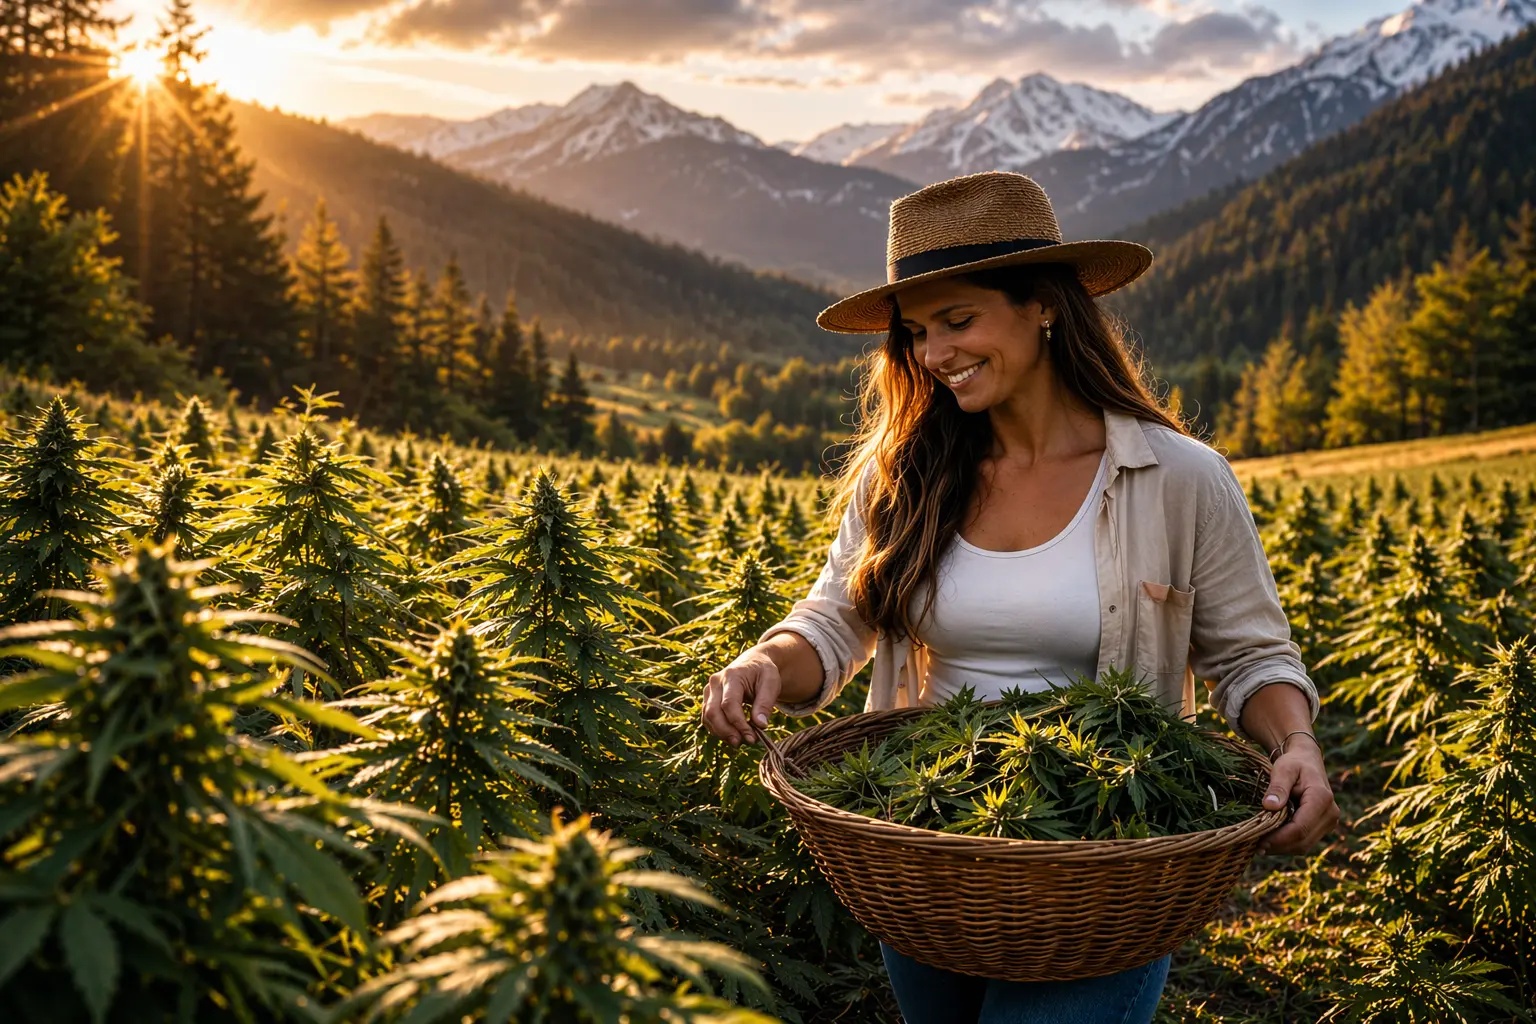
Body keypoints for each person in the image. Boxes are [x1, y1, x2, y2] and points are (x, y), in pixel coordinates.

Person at [700, 171, 1339, 1024]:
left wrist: (1296, 741)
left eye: (959, 320)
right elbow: (835, 619)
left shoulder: (1177, 478)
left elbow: (1250, 655)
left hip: (1105, 861)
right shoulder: (906, 477)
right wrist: (763, 660)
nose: (934, 354)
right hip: (934, 845)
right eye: (919, 332)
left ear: (1043, 304)